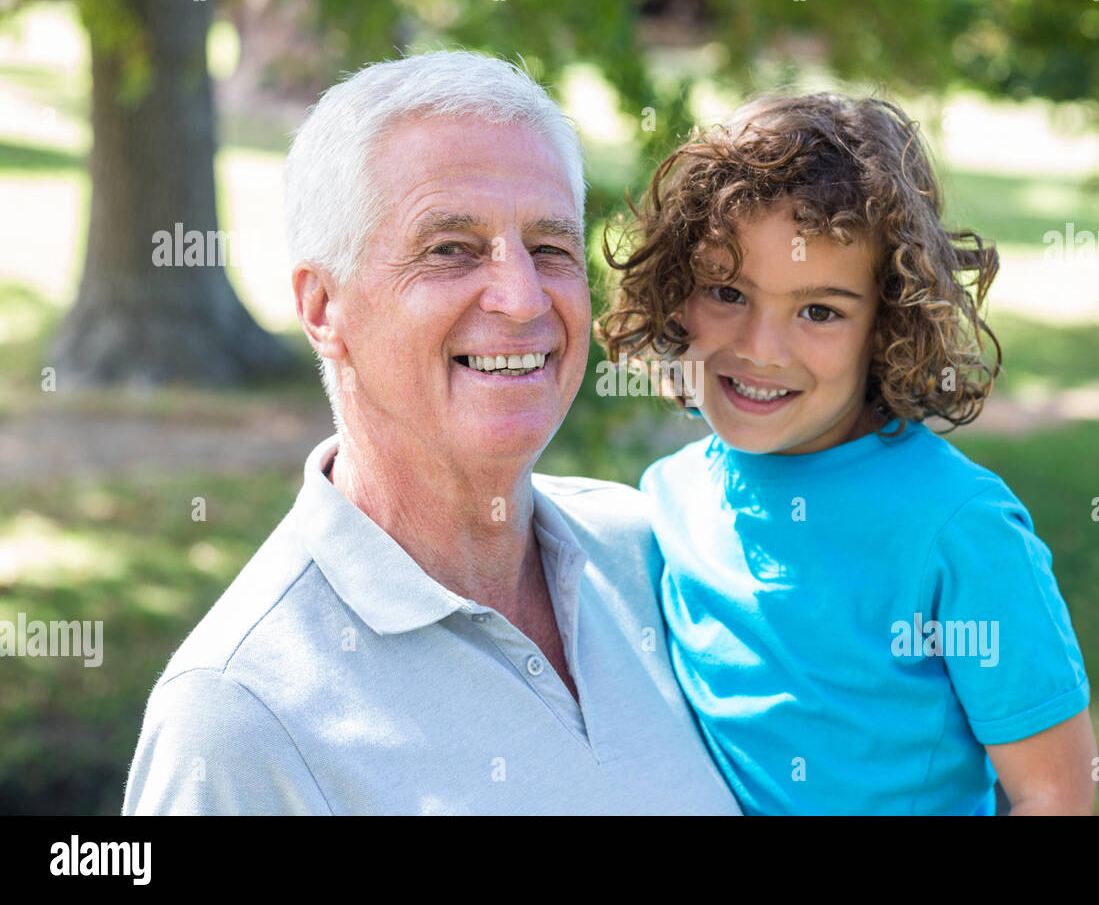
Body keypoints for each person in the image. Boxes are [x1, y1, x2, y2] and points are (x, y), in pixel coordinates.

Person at [121, 50, 740, 815]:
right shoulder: (235, 717)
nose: (520, 298)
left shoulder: (657, 556)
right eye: (451, 249)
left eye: (550, 248)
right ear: (323, 308)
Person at [596, 91, 1097, 815]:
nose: (760, 350)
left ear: (887, 325)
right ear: (676, 291)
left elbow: (1055, 796)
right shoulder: (668, 498)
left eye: (819, 311)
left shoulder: (960, 529)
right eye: (726, 292)